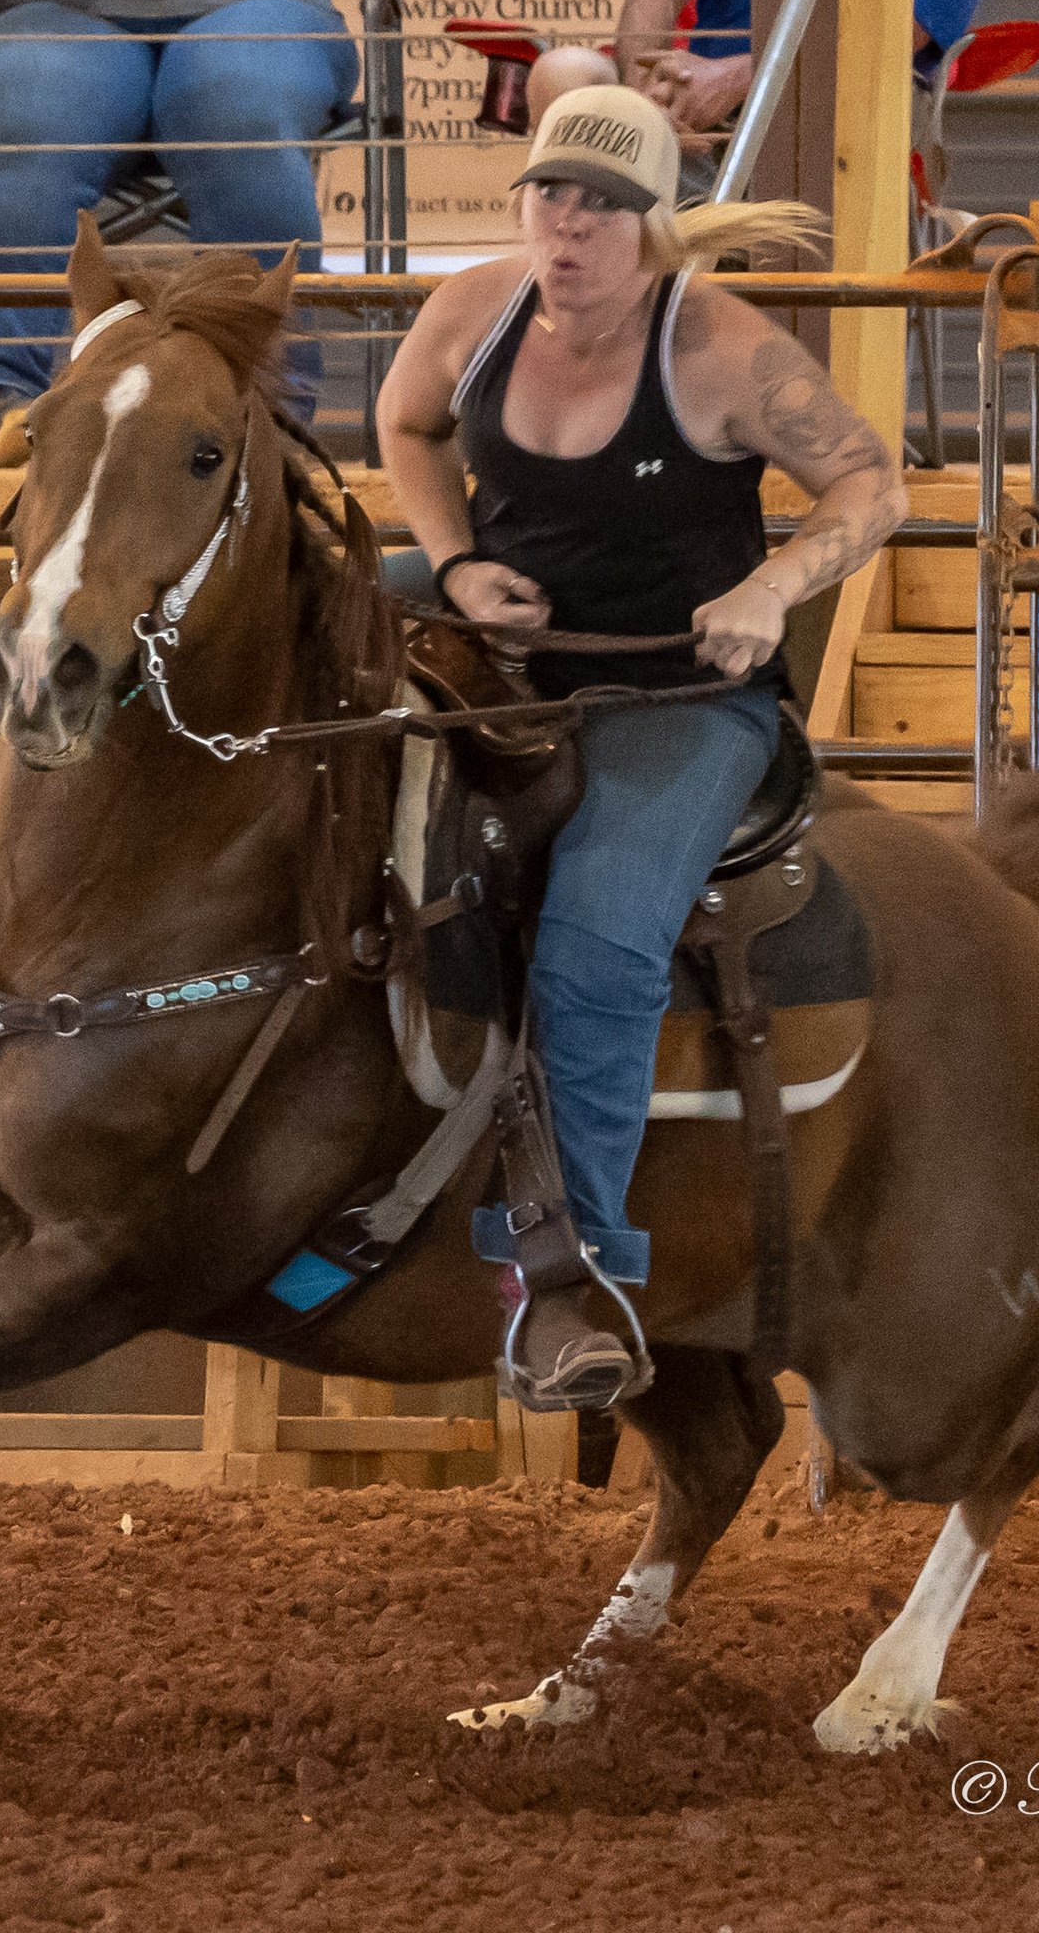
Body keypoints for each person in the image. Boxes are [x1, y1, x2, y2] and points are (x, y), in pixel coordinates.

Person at [376, 85, 906, 1410]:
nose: (569, 227)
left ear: (654, 227)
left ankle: (573, 1281)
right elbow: (406, 424)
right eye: (551, 195)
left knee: (600, 938)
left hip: (680, 691)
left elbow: (873, 483)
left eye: (603, 207)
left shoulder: (724, 351)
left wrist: (773, 591)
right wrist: (455, 558)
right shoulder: (471, 309)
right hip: (501, 661)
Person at [0, 0, 359, 459]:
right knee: (37, 131)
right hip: (57, 2)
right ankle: (1, 403)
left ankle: (264, 411)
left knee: (239, 119)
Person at [618, 0, 995, 141]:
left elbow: (892, 38)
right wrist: (646, 99)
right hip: (696, 108)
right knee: (567, 72)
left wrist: (736, 79)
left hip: (843, 106)